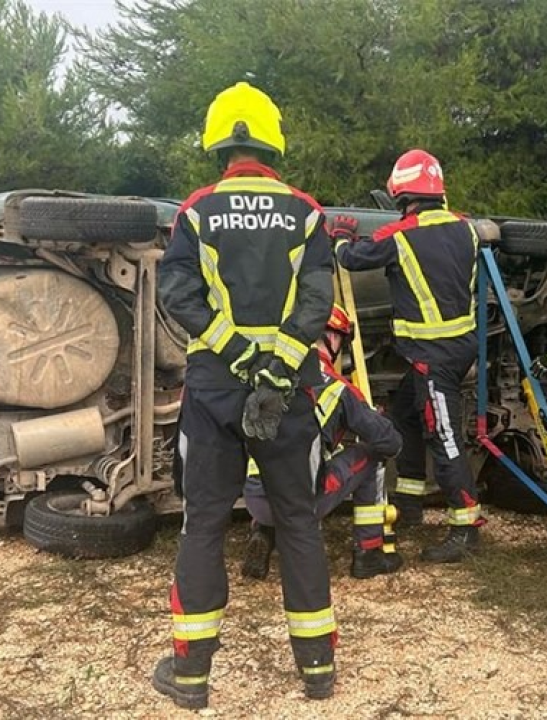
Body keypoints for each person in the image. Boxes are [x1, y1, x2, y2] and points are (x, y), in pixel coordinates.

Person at [152, 81, 338, 709]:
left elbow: (178, 295)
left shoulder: (197, 210)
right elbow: (318, 301)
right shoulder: (305, 212)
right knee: (299, 525)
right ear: (271, 141)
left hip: (213, 391)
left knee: (202, 525)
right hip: (288, 392)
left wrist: (237, 355)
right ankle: (317, 673)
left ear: (220, 143)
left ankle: (191, 679)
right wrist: (278, 369)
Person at [330, 149, 484, 564]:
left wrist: (342, 234)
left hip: (432, 356)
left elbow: (350, 258)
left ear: (400, 195)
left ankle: (465, 527)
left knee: (445, 437)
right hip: (459, 347)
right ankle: (411, 501)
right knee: (404, 415)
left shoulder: (398, 235)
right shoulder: (466, 229)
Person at [241, 303, 404, 581]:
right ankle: (368, 552)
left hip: (254, 497)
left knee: (276, 457)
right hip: (302, 504)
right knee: (371, 454)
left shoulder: (269, 375)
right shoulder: (339, 388)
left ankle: (263, 533)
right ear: (333, 338)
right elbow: (388, 441)